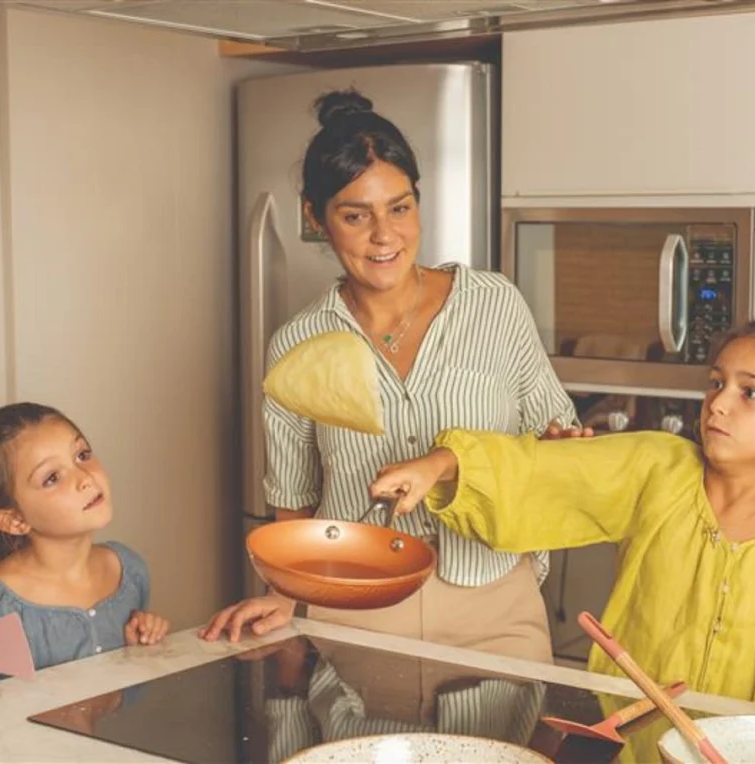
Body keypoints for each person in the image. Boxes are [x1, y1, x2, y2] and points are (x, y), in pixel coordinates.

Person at [200, 88, 584, 663]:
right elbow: (293, 501)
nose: (385, 236)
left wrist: (557, 448)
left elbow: (553, 438)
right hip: (354, 607)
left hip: (494, 600)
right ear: (315, 217)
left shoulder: (494, 305)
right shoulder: (297, 345)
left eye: (399, 208)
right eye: (356, 216)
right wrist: (283, 594)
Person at [368, 310, 755, 708]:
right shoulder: (658, 468)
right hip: (637, 745)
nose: (718, 404)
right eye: (716, 383)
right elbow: (540, 472)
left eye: (750, 393)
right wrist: (442, 464)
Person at [0, 402, 169, 691]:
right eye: (52, 478)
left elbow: (126, 697)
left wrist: (143, 645)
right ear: (16, 520)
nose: (85, 478)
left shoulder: (128, 569)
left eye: (82, 455)